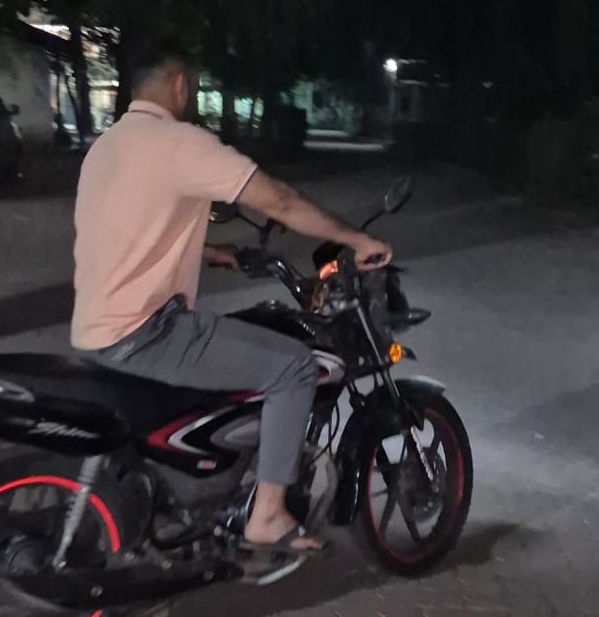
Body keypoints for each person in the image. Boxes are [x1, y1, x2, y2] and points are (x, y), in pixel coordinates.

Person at [71, 43, 392, 559]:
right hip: (146, 331)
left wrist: (214, 253)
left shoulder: (107, 146)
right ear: (180, 85)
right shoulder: (179, 144)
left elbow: (131, 228)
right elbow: (279, 201)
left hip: (94, 327)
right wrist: (356, 240)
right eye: (193, 85)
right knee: (293, 365)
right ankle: (267, 514)